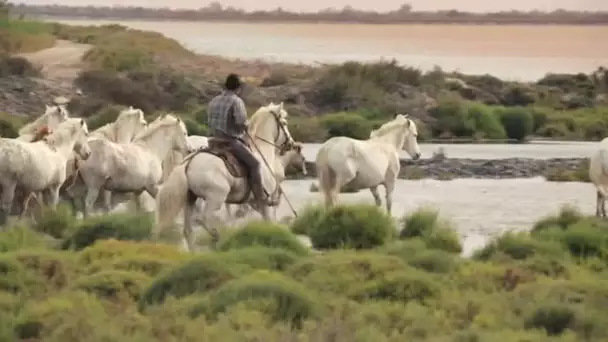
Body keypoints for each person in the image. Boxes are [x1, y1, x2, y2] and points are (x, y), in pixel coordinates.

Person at [207, 73, 269, 207]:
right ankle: (260, 197)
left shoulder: (214, 101)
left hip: (212, 141)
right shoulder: (236, 101)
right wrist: (246, 127)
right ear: (238, 88)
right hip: (229, 142)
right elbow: (241, 122)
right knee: (255, 164)